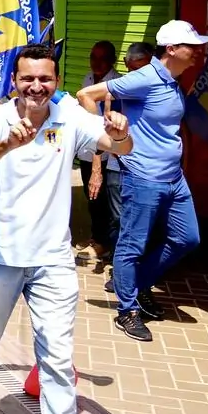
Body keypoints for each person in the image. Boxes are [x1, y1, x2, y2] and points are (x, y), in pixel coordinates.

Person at [0, 44, 132, 414]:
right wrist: (9, 144)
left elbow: (119, 144)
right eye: (28, 78)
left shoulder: (69, 116)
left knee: (57, 359)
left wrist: (119, 133)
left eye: (46, 78)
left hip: (54, 259)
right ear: (14, 81)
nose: (37, 86)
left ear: (56, 80)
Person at [80, 20, 208, 342]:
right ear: (172, 49)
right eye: (191, 46)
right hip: (143, 177)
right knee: (131, 245)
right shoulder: (145, 77)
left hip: (173, 178)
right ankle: (128, 310)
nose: (198, 51)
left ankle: (135, 285)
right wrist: (105, 133)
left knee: (186, 238)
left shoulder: (172, 80)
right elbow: (87, 94)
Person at [79, 41, 122, 261]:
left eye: (102, 58)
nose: (96, 63)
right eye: (93, 57)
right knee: (91, 197)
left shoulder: (117, 84)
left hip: (106, 154)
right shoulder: (87, 80)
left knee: (104, 199)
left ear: (112, 60)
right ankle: (97, 237)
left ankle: (103, 243)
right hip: (87, 151)